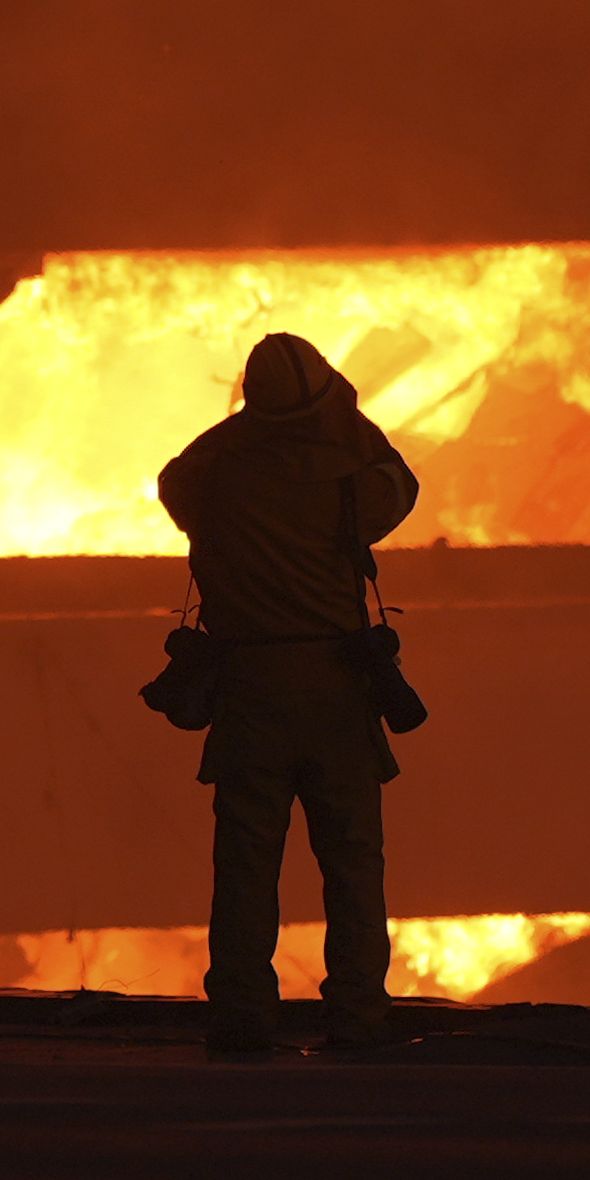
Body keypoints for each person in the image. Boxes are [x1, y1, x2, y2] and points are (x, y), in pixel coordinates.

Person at [156, 331, 420, 1057]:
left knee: (245, 864)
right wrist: (343, 412)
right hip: (336, 692)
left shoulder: (214, 479)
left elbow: (175, 477)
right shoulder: (351, 483)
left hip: (249, 693)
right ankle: (360, 1015)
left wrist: (248, 421)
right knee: (354, 863)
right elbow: (401, 480)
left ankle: (242, 1012)